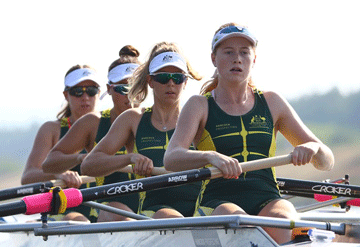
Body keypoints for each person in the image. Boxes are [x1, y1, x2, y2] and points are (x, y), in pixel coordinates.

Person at [163, 23, 335, 244]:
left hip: (268, 198)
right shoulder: (199, 105)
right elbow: (172, 158)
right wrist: (210, 156)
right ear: (214, 59)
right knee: (244, 228)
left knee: (285, 225)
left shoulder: (272, 102)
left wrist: (313, 148)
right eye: (229, 52)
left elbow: (326, 161)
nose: (237, 59)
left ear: (254, 60)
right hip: (218, 200)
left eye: (244, 52)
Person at [81, 42, 202, 219]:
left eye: (177, 78)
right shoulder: (133, 119)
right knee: (169, 217)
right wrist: (129, 158)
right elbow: (89, 165)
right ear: (150, 80)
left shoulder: (199, 115)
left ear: (185, 81)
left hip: (199, 211)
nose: (170, 83)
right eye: (162, 77)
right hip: (154, 212)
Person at [42, 45, 141, 222]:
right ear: (109, 89)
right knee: (116, 213)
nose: (130, 95)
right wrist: (80, 159)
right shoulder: (92, 123)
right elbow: (48, 164)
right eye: (122, 89)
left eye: (135, 87)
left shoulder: (159, 120)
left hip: (148, 212)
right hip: (106, 213)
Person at [21, 65, 100, 222]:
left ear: (99, 93)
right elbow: (28, 177)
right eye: (77, 91)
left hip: (105, 208)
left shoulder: (114, 126)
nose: (85, 97)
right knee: (80, 221)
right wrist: (57, 173)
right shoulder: (52, 130)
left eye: (91, 90)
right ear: (66, 95)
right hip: (65, 211)